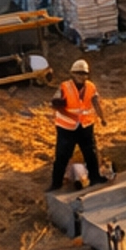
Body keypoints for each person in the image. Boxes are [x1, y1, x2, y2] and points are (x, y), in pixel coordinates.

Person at [49, 60, 107, 192]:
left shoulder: (91, 87)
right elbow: (55, 103)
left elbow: (95, 102)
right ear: (73, 74)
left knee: (91, 153)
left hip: (85, 126)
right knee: (62, 156)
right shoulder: (64, 86)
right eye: (78, 73)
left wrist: (102, 118)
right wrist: (64, 109)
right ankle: (56, 183)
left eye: (84, 73)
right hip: (66, 128)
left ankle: (95, 178)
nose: (81, 76)